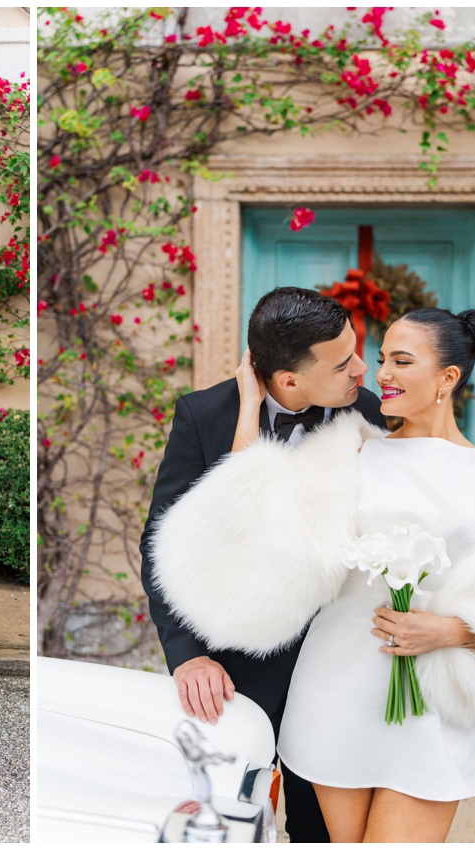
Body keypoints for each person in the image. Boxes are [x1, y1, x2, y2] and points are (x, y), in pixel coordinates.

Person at [150, 307, 475, 843]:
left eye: (401, 360)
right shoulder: (349, 450)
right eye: (383, 357)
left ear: (448, 378)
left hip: (430, 707)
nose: (380, 372)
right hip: (332, 694)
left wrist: (451, 631)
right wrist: (250, 408)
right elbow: (248, 535)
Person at [140, 286, 383, 843]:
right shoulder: (205, 415)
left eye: (356, 350)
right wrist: (188, 656)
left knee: (322, 822)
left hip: (337, 659)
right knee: (229, 814)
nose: (362, 369)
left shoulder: (366, 412)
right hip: (239, 666)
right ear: (289, 380)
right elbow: (161, 542)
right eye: (344, 362)